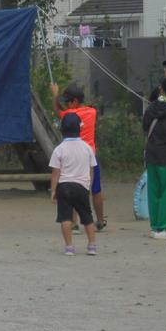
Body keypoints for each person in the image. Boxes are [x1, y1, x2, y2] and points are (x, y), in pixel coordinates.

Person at [50, 83, 107, 231]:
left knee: (73, 186)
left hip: (74, 158)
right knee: (96, 189)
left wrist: (55, 94)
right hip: (90, 156)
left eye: (68, 102)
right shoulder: (93, 112)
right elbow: (74, 110)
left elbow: (57, 109)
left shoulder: (68, 115)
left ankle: (74, 223)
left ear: (74, 101)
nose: (66, 105)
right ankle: (100, 220)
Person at [49, 113, 98, 256]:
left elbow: (55, 173)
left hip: (63, 186)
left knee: (65, 217)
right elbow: (91, 170)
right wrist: (88, 185)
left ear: (62, 129)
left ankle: (69, 247)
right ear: (80, 129)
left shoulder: (59, 149)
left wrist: (53, 191)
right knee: (87, 217)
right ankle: (92, 245)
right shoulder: (87, 148)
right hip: (81, 186)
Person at [144, 77, 166, 240]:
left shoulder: (152, 107)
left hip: (152, 154)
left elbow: (145, 126)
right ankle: (165, 226)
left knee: (154, 191)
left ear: (161, 89)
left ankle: (155, 226)